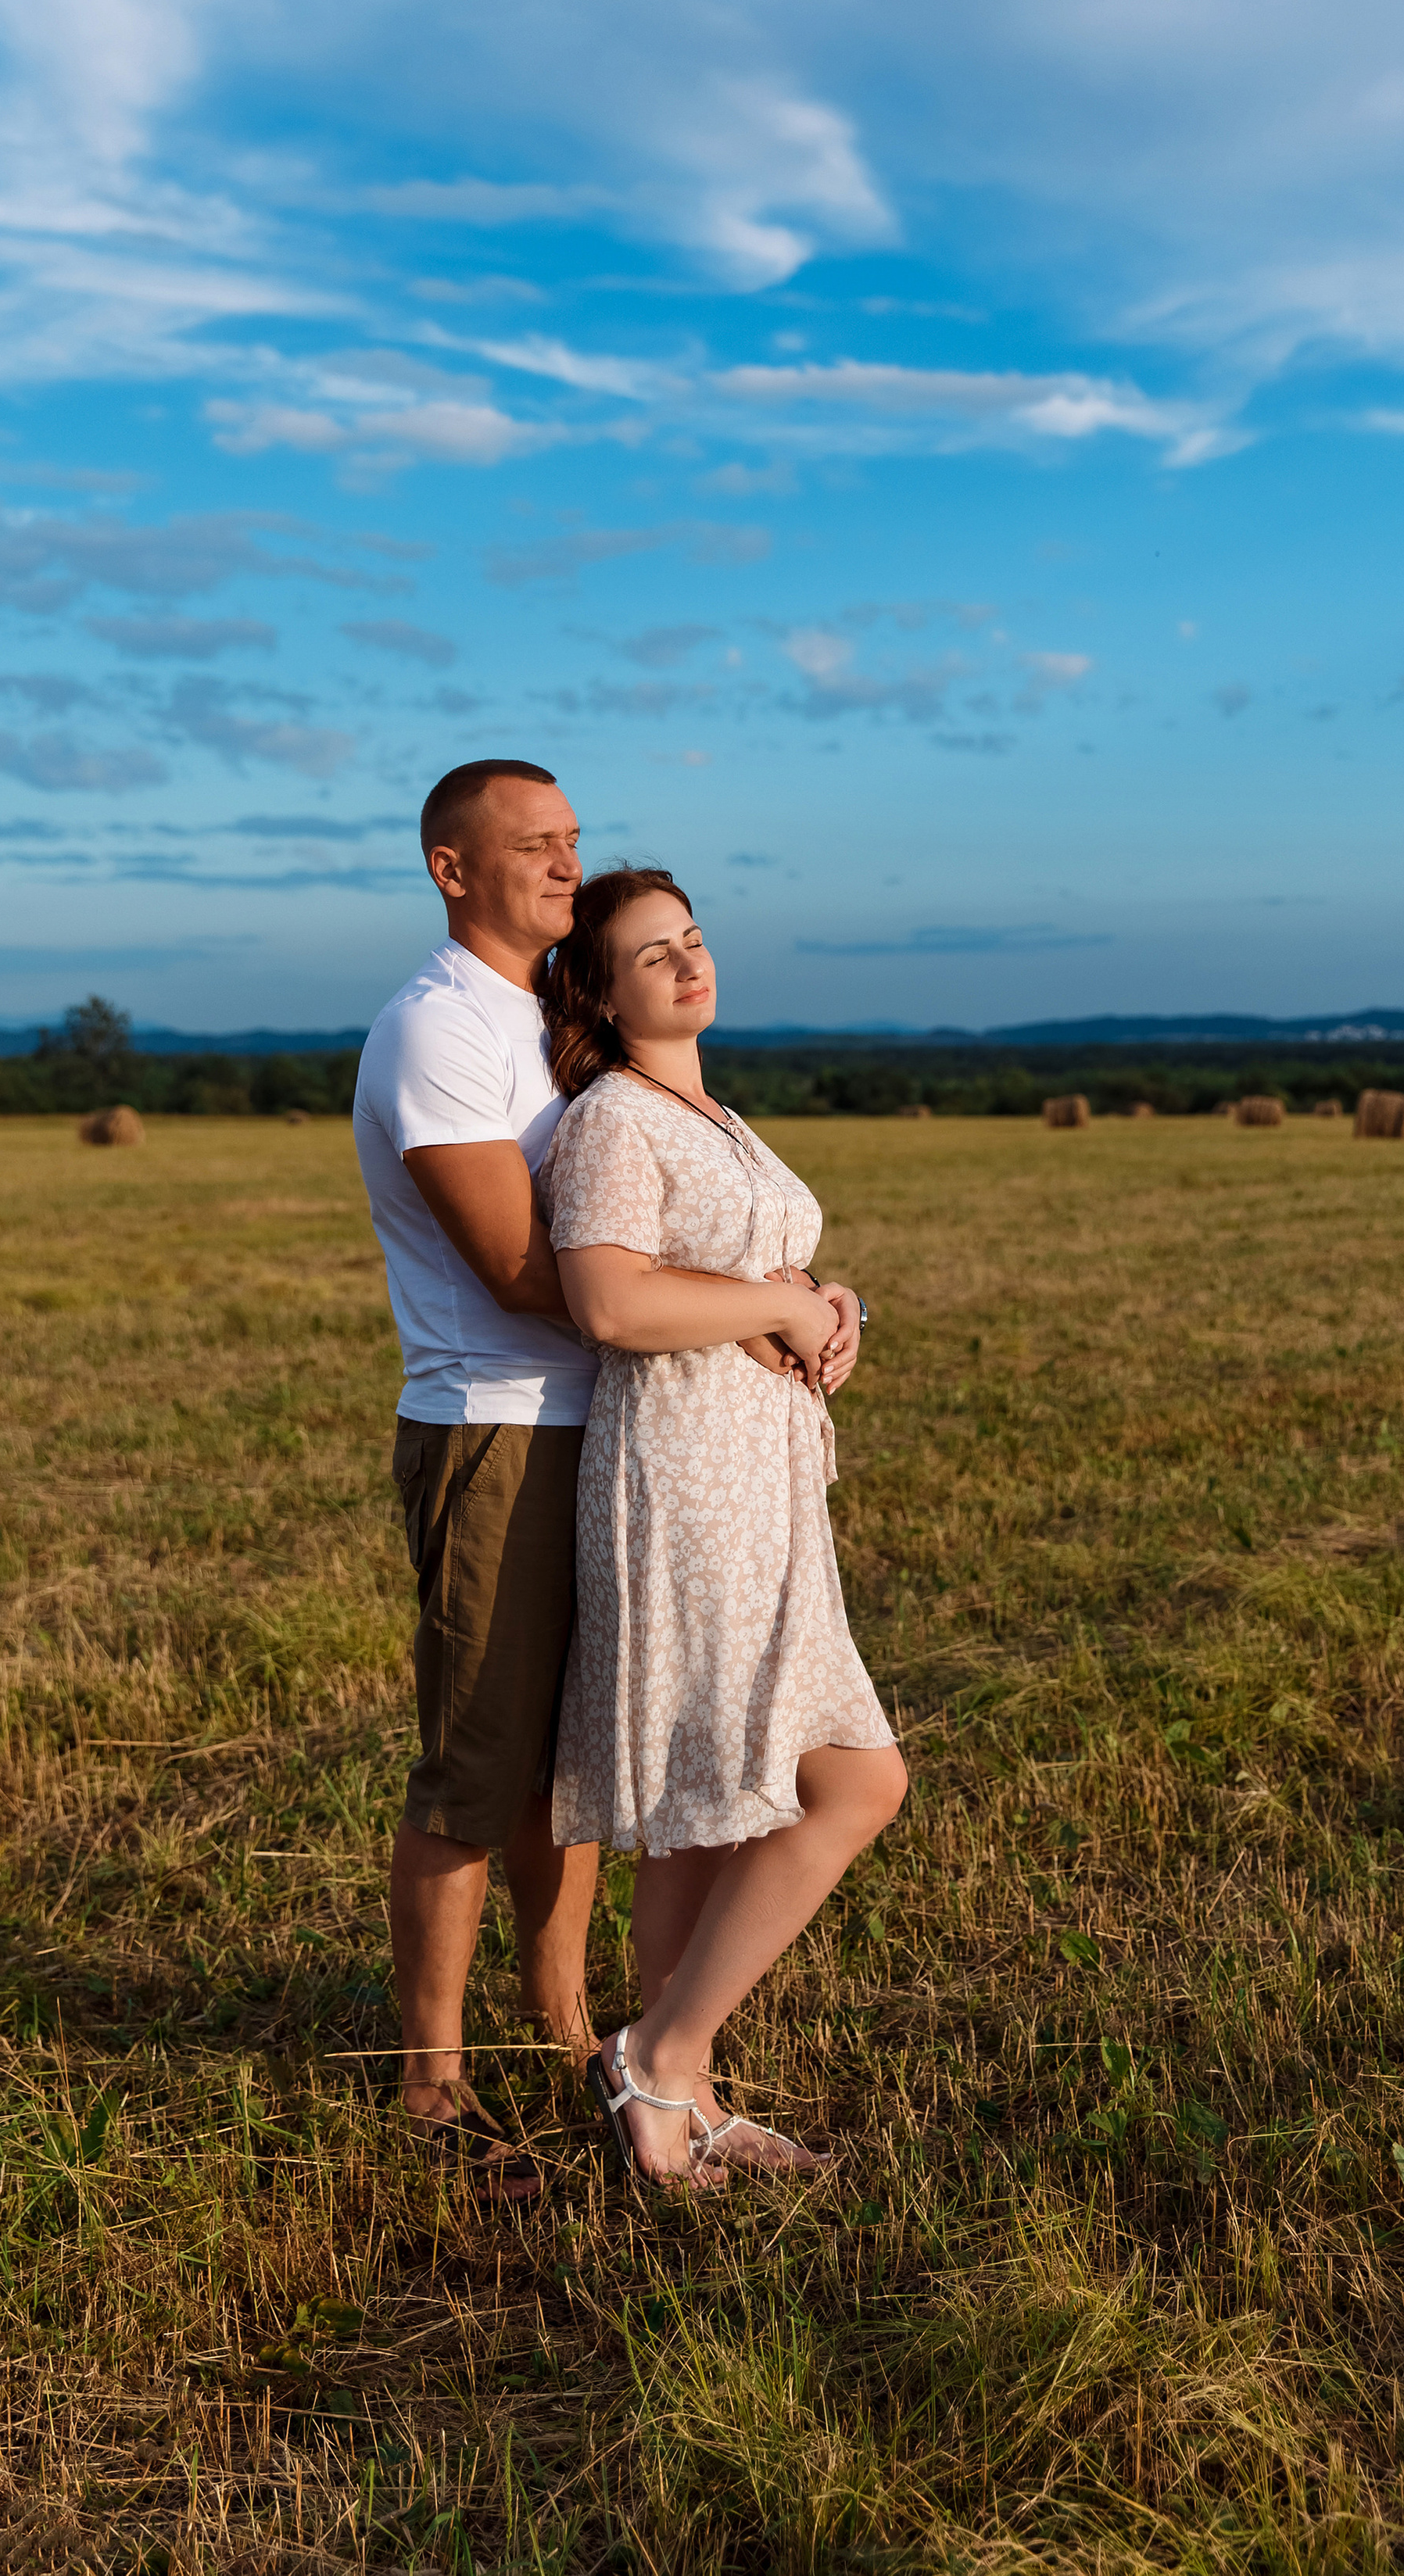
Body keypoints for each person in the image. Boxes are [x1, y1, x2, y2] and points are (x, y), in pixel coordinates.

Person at [536, 866, 909, 2181]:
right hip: (685, 1474)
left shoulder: (717, 1114)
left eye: (692, 939)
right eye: (653, 955)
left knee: (711, 1804)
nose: (689, 963)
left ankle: (678, 2106)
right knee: (856, 1780)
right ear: (601, 993)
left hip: (765, 1480)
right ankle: (657, 2056)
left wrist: (826, 1303)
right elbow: (611, 1302)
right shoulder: (611, 1119)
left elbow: (746, 1270)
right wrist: (783, 1310)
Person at [350, 757, 603, 2206]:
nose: (567, 866)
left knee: (568, 1765)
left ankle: (565, 2030)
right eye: (534, 846)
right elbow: (517, 1271)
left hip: (599, 1419)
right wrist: (719, 1307)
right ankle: (432, 2087)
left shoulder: (555, 1015)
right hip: (495, 1427)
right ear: (452, 869)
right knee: (476, 1766)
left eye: (573, 841)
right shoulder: (437, 1027)